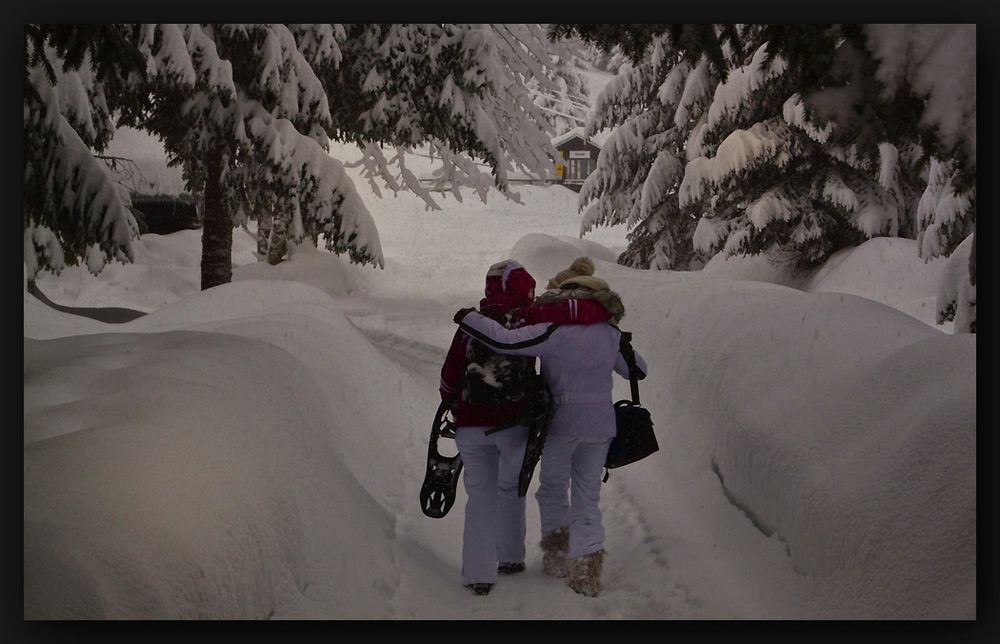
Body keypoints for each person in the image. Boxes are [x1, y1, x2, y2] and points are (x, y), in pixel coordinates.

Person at [453, 258, 647, 597]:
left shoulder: (552, 329)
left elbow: (504, 342)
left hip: (562, 424)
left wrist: (468, 318)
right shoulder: (608, 332)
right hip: (600, 426)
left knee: (553, 489)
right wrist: (615, 337)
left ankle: (558, 559)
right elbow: (637, 371)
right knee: (587, 496)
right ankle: (586, 569)